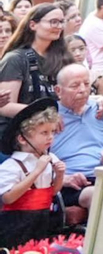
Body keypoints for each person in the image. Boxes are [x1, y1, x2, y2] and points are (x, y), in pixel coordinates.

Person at [53, 64, 103, 227]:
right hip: (70, 182)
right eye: (75, 86)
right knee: (99, 195)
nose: (83, 90)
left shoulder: (97, 110)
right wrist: (63, 179)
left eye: (86, 84)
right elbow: (36, 160)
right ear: (58, 90)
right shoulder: (51, 116)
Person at [0, 98, 64, 248]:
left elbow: (53, 192)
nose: (50, 137)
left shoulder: (50, 158)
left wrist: (60, 175)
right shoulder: (12, 165)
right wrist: (36, 172)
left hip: (43, 220)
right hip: (17, 224)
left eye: (52, 132)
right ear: (22, 139)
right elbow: (7, 198)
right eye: (44, 133)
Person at [0, 3, 74, 120]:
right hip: (24, 127)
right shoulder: (15, 59)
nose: (59, 26)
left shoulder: (65, 58)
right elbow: (5, 106)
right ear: (33, 25)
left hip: (61, 126)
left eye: (61, 22)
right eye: (53, 22)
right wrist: (46, 115)